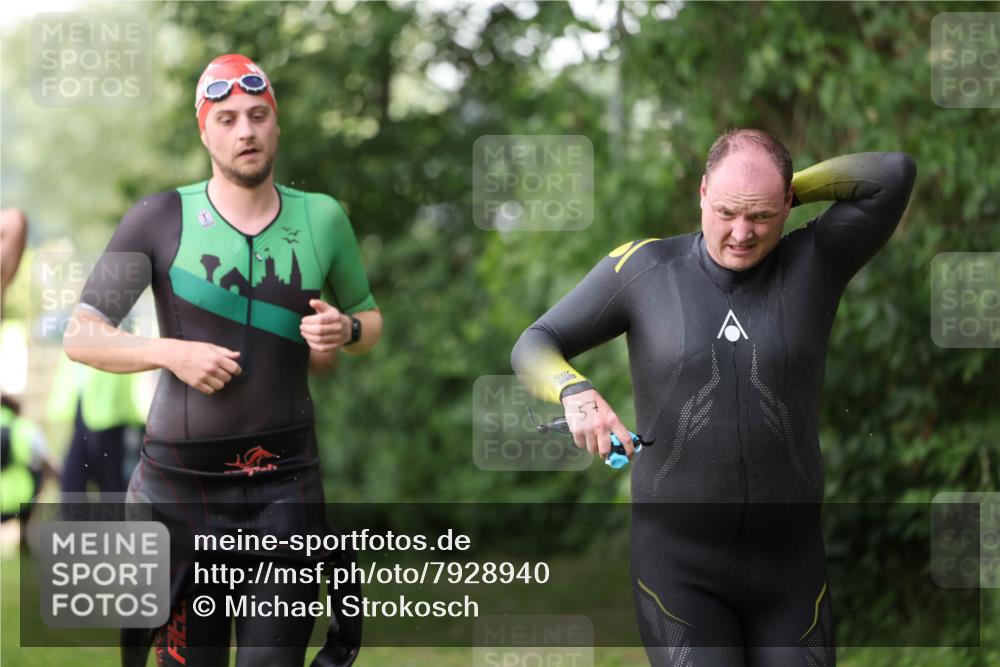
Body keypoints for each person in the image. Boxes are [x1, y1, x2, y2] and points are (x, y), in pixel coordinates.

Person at [512, 129, 916, 666]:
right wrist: (575, 391)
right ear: (702, 192)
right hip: (679, 569)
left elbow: (892, 173)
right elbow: (535, 343)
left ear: (788, 202)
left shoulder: (816, 260)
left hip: (792, 565)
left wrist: (777, 183)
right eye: (726, 210)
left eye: (763, 216)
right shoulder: (646, 270)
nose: (742, 233)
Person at [65, 53, 382, 667]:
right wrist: (169, 352)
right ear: (205, 130)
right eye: (229, 118)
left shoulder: (322, 217)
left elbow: (371, 321)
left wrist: (343, 331)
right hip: (179, 493)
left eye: (259, 116)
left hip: (284, 487)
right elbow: (82, 335)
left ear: (277, 125)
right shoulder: (159, 219)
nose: (246, 131)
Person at [47, 354, 144, 499]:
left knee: (110, 481)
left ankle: (114, 519)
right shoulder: (78, 336)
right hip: (82, 410)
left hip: (110, 416)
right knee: (73, 479)